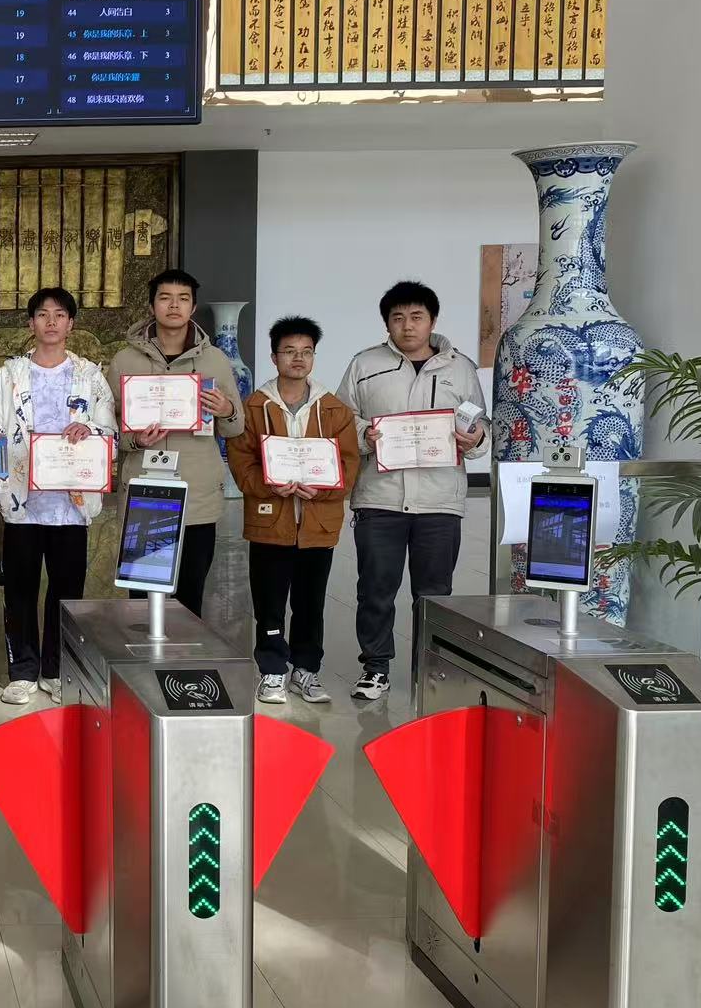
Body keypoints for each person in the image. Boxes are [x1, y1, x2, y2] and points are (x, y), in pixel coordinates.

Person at [336, 281, 489, 702]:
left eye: (416, 317)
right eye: (398, 317)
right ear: (387, 323)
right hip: (379, 497)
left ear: (432, 321)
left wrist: (475, 438)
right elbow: (341, 419)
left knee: (434, 593)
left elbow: (480, 423)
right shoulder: (365, 364)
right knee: (375, 589)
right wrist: (367, 435)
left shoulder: (461, 369)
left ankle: (430, 669)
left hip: (440, 500)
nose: (407, 326)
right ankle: (375, 668)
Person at [0, 287, 118, 705]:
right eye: (42, 314)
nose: (51, 322)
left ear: (71, 324)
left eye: (59, 315)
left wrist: (89, 430)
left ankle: (57, 670)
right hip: (23, 506)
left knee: (66, 592)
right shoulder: (9, 376)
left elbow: (110, 433)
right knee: (20, 590)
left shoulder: (90, 377)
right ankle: (22, 671)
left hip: (70, 507)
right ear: (31, 323)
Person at [226, 317, 360, 705]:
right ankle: (272, 670)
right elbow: (241, 460)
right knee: (269, 602)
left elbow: (348, 463)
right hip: (270, 521)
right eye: (289, 351)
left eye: (306, 352)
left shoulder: (334, 409)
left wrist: (323, 488)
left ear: (314, 357)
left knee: (310, 603)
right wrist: (268, 484)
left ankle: (306, 670)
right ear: (274, 357)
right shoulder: (254, 407)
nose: (298, 359)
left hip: (317, 523)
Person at [106, 269, 246, 616]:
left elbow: (236, 428)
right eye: (165, 298)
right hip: (145, 493)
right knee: (143, 599)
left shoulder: (215, 360)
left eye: (183, 299)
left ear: (193, 307)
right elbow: (107, 431)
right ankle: (145, 652)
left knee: (189, 598)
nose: (174, 306)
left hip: (197, 493)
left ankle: (185, 653)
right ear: (152, 305)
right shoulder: (125, 361)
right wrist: (135, 439)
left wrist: (227, 409)